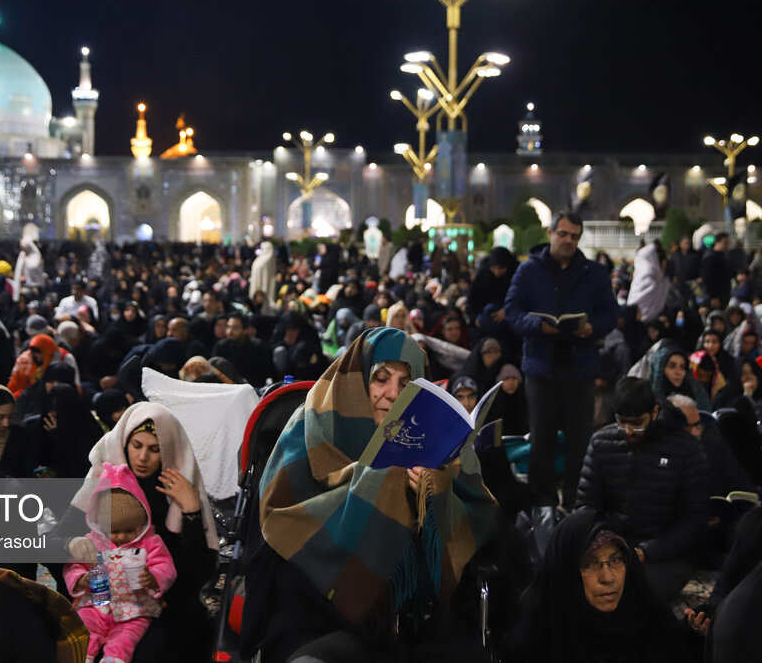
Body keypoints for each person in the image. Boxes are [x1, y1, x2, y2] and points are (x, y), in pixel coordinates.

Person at [242, 327, 505, 663]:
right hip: (316, 611)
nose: (393, 394)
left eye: (406, 383)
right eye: (380, 378)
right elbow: (281, 518)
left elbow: (481, 516)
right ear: (359, 378)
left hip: (418, 620)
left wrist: (437, 489)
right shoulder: (312, 425)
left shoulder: (438, 442)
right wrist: (382, 484)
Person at [55, 402, 219, 663]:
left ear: (168, 451)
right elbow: (52, 542)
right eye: (137, 445)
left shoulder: (178, 489)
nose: (143, 458)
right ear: (123, 443)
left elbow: (198, 572)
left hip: (160, 604)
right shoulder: (102, 480)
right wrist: (72, 545)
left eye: (154, 450)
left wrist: (191, 513)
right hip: (99, 601)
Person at [504, 211, 619, 510]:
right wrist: (537, 325)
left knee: (579, 442)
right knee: (541, 440)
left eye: (575, 236)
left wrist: (593, 327)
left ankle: (575, 503)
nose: (569, 240)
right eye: (564, 234)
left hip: (580, 368)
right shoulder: (529, 271)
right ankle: (541, 506)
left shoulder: (593, 273)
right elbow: (512, 310)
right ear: (550, 233)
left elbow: (610, 314)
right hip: (542, 367)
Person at [576, 377, 709, 602]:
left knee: (632, 596)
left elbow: (693, 522)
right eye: (622, 422)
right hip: (610, 549)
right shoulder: (601, 443)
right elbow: (586, 508)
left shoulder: (686, 449)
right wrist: (606, 546)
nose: (629, 431)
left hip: (665, 555)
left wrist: (646, 552)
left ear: (655, 412)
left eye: (637, 423)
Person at [505, 509, 693, 663]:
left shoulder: (648, 619)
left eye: (615, 559)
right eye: (589, 564)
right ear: (566, 571)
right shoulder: (541, 636)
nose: (608, 577)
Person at [64, 463, 177, 663]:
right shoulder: (92, 541)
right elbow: (74, 566)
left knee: (124, 642)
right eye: (115, 531)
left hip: (134, 609)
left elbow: (165, 565)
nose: (123, 536)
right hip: (95, 605)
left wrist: (153, 577)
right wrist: (80, 579)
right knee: (83, 632)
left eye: (130, 530)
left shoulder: (150, 542)